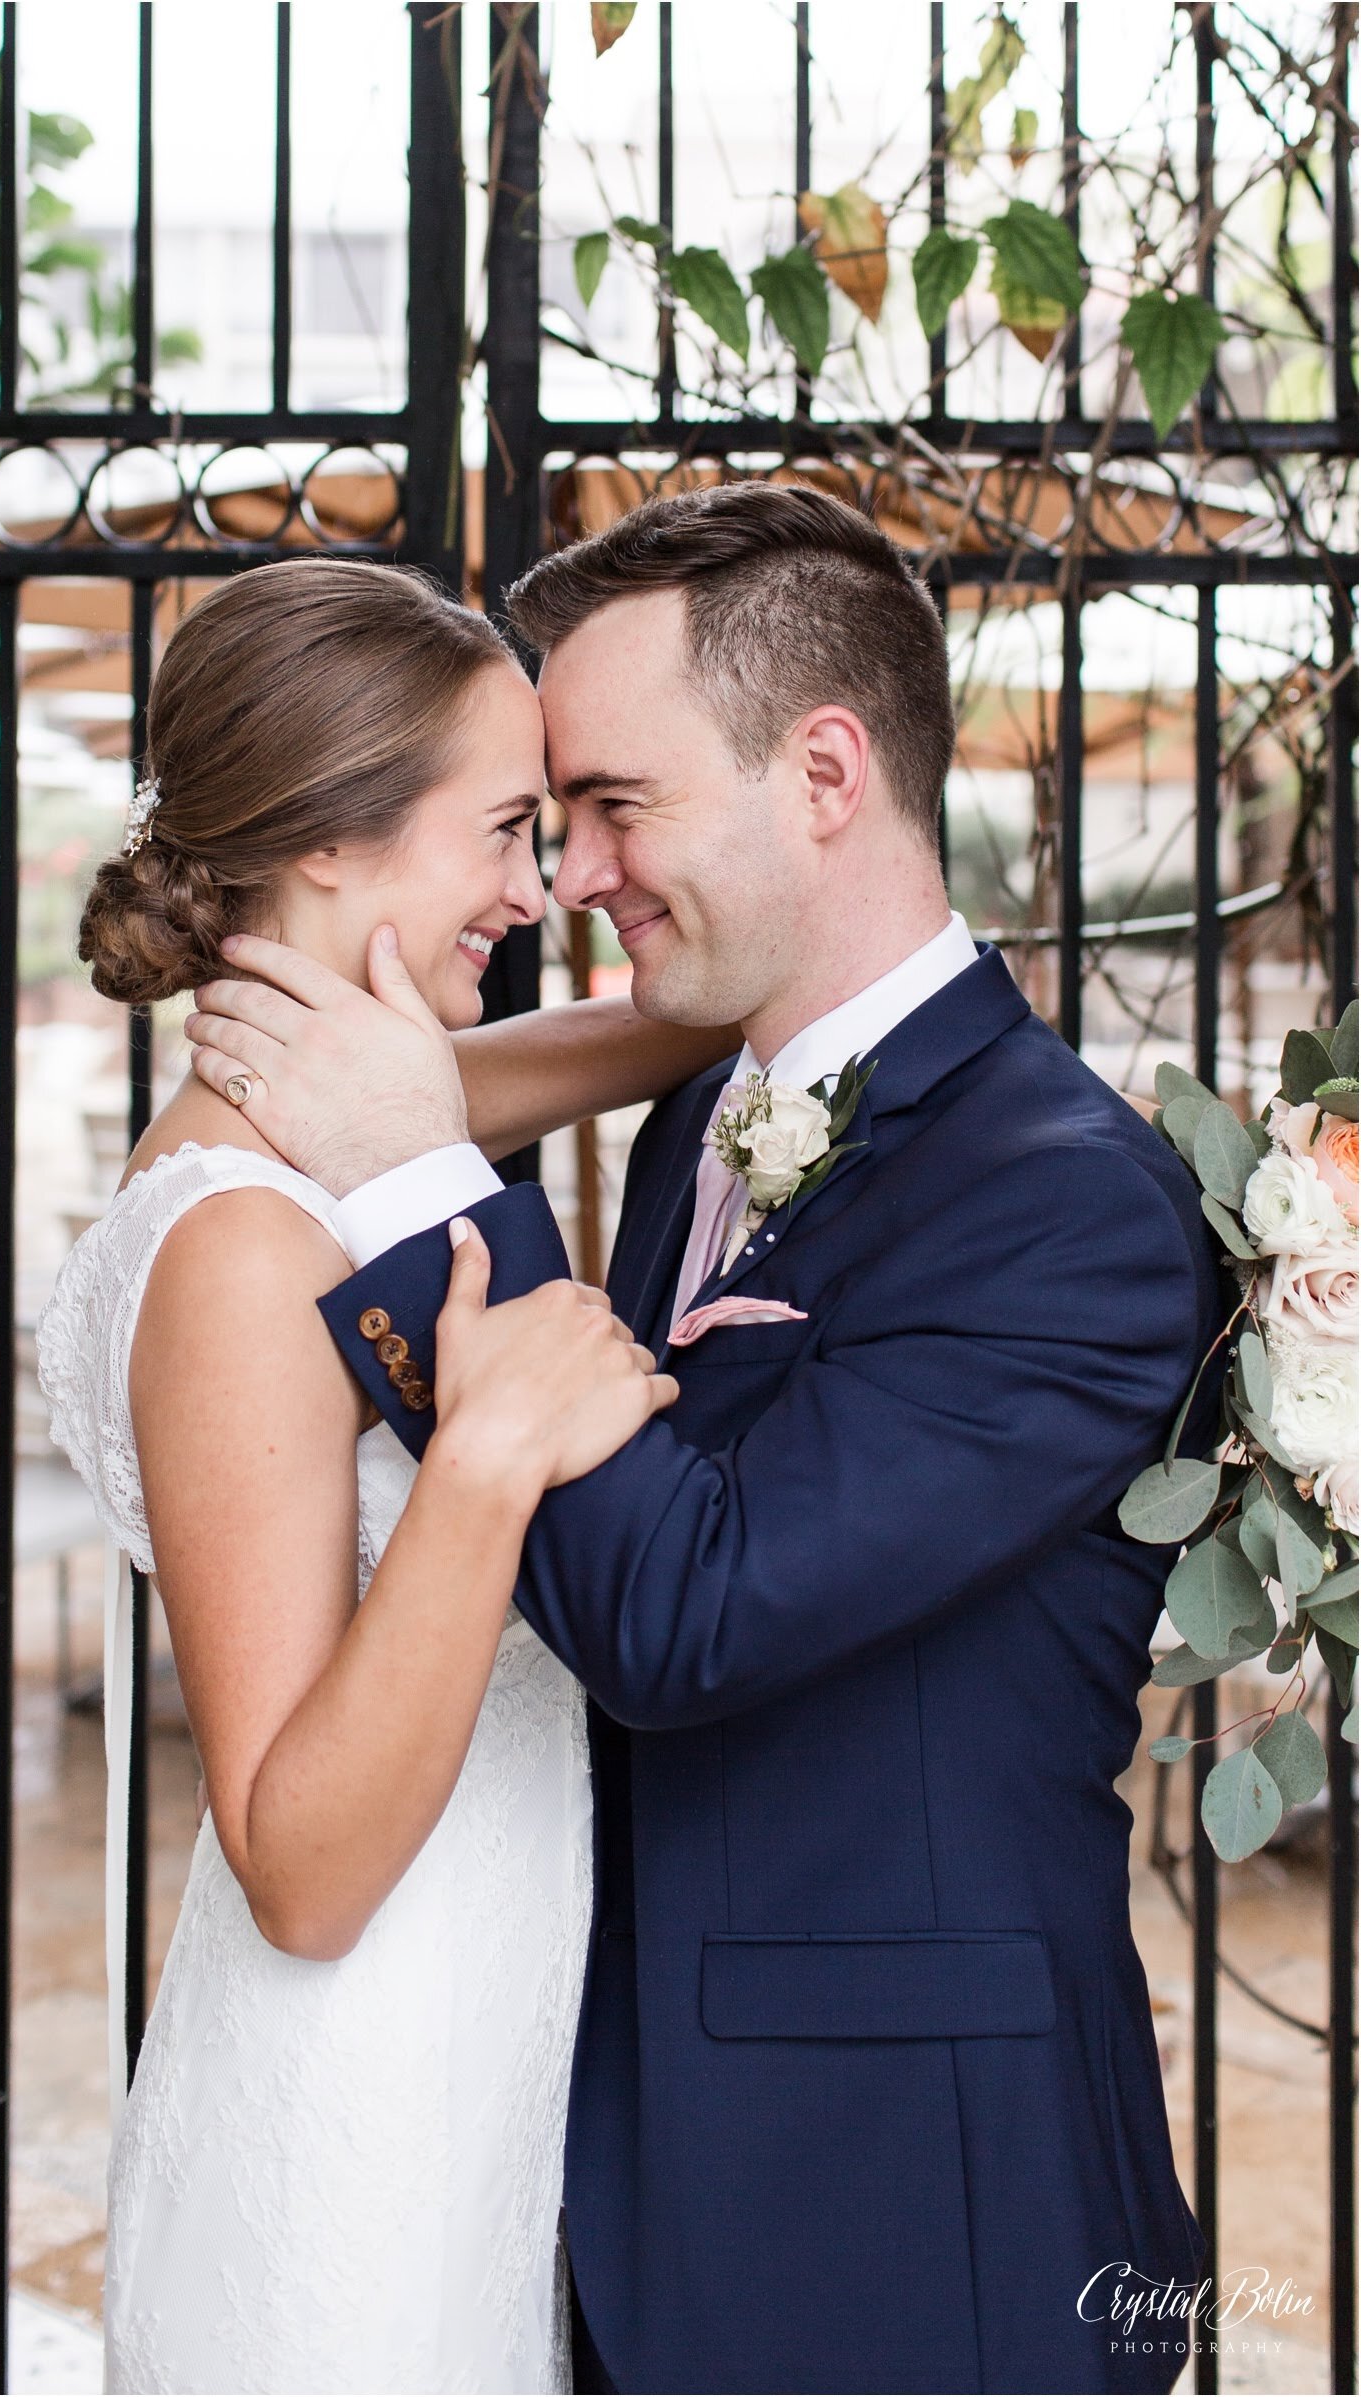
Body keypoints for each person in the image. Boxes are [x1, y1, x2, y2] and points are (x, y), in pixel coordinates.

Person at [186, 484, 1227, 2396]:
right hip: (629, 2166)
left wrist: (428, 1173)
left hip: (918, 2203)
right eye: (551, 817)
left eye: (614, 804)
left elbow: (687, 1613)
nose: (573, 870)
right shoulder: (701, 1126)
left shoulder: (1069, 1201)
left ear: (822, 770)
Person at [36, 557, 735, 2395]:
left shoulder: (337, 1120)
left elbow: (677, 1017)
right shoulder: (249, 1252)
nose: (541, 886)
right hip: (357, 2143)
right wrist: (488, 1459)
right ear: (335, 843)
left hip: (466, 2081)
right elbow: (302, 1865)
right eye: (510, 827)